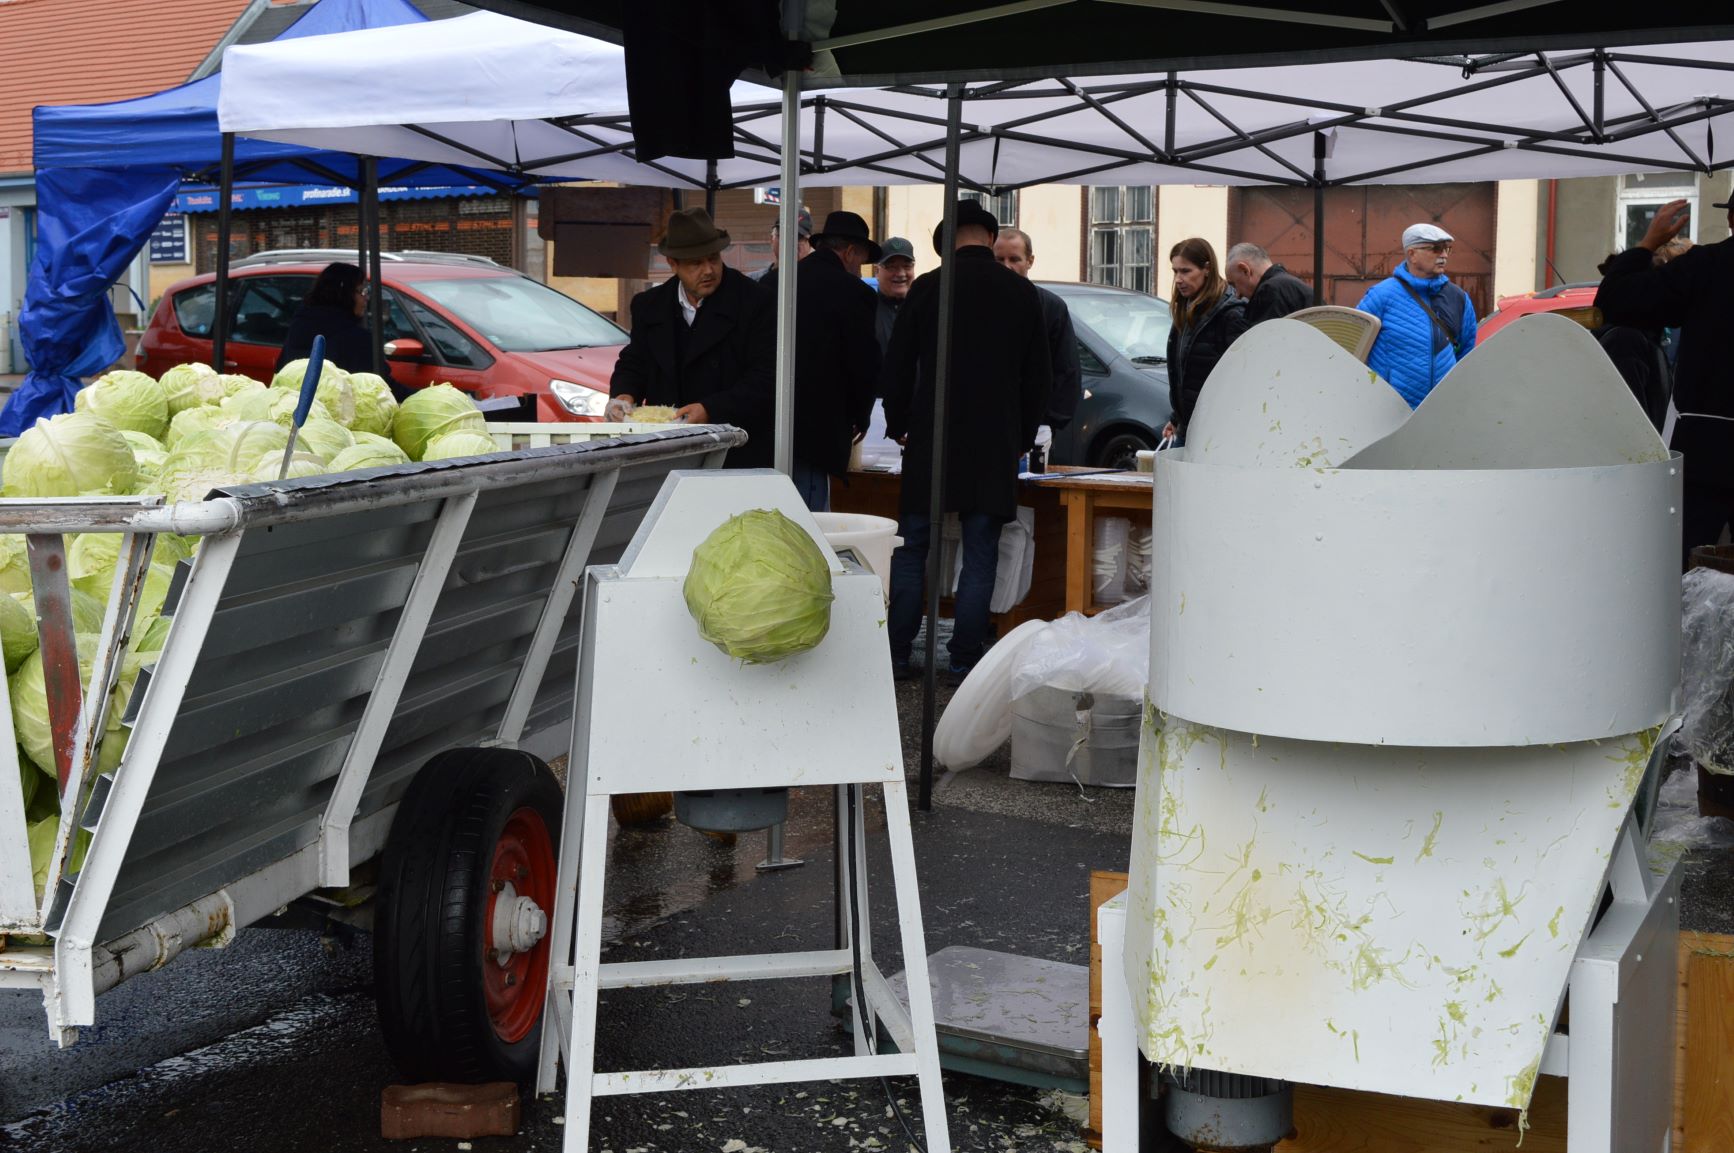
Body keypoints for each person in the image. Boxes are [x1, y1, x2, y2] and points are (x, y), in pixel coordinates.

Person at [882, 200, 1051, 682]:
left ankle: (897, 654)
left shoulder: (928, 288)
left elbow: (897, 364)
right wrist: (1020, 437)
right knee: (980, 551)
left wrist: (898, 422)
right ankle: (962, 659)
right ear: (988, 238)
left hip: (931, 436)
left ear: (947, 241)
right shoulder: (1021, 293)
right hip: (994, 439)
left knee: (914, 547)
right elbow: (1038, 377)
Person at [1596, 196, 1734, 564]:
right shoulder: (1707, 265)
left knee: (1683, 567)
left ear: (1732, 219)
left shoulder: (1709, 265)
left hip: (1709, 446)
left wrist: (1647, 243)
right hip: (1707, 445)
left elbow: (1615, 299)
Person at [607, 207, 775, 468]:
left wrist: (710, 408)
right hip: (668, 452)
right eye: (696, 263)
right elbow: (635, 362)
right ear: (673, 263)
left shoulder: (756, 301)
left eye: (714, 259)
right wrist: (624, 395)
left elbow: (766, 377)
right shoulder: (649, 305)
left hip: (737, 450)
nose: (708, 270)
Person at [758, 211, 882, 510]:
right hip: (820, 428)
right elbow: (863, 362)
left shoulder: (773, 281)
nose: (858, 269)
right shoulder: (855, 293)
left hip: (768, 421)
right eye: (861, 260)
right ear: (850, 252)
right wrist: (861, 413)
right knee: (810, 522)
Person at [1356, 223, 1478, 407]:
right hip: (1389, 410)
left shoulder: (1458, 297)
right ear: (1412, 254)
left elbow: (1466, 351)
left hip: (1440, 409)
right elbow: (1353, 346)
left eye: (1446, 249)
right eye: (1435, 249)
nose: (1443, 255)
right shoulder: (1382, 295)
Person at [994, 227, 1082, 432]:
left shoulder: (1051, 307)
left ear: (1030, 261)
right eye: (999, 259)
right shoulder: (979, 305)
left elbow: (1067, 370)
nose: (1007, 267)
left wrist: (1049, 421)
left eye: (1014, 259)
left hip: (1036, 424)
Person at [1160, 238, 1247, 443]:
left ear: (1207, 269)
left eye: (1186, 271)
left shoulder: (1230, 313)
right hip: (1189, 427)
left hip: (1218, 432)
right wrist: (1177, 418)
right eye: (1175, 272)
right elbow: (1187, 376)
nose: (1179, 279)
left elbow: (1241, 378)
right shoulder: (1187, 309)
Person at [275, 262, 393, 377]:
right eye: (362, 291)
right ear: (346, 294)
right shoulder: (355, 338)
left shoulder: (300, 324)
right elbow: (382, 383)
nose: (366, 298)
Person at [1224, 242, 1312, 326]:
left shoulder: (1270, 290)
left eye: (1234, 284)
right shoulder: (1288, 285)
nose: (1237, 295)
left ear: (1245, 270)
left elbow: (1264, 338)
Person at [873, 237, 916, 356]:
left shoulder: (923, 310)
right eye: (892, 267)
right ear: (877, 272)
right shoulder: (866, 311)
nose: (901, 274)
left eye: (907, 266)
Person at [750, 206, 812, 282]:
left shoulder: (819, 283)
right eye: (784, 236)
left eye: (798, 237)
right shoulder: (752, 282)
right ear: (772, 240)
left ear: (809, 245)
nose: (790, 243)